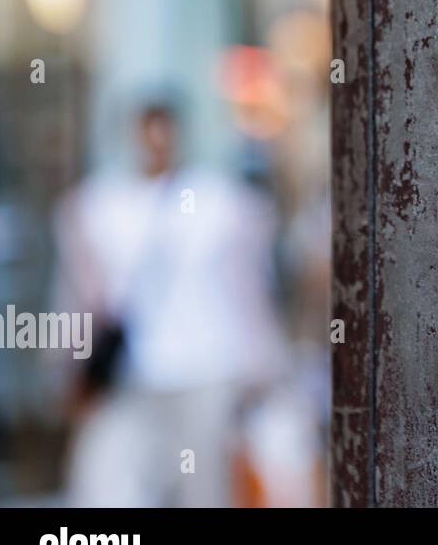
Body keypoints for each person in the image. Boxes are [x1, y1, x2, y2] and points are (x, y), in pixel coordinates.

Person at [52, 98, 289, 506]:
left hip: (206, 370)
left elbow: (251, 292)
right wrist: (69, 368)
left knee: (203, 489)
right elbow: (79, 300)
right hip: (130, 377)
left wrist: (263, 368)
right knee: (112, 484)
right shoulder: (99, 204)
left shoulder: (221, 201)